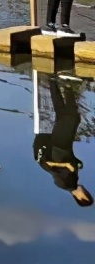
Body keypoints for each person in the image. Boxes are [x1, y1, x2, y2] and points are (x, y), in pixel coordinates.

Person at [34, 73, 93, 206]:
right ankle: (54, 82)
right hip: (63, 147)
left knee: (72, 118)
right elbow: (69, 164)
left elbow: (50, 166)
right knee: (62, 115)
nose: (87, 191)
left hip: (60, 147)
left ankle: (67, 85)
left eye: (87, 194)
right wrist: (77, 163)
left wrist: (67, 165)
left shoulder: (67, 185)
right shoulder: (72, 182)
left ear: (81, 198)